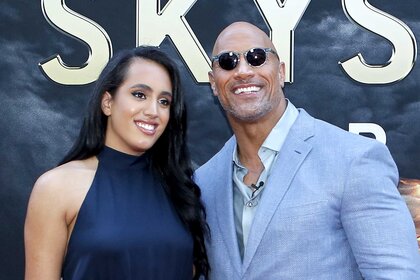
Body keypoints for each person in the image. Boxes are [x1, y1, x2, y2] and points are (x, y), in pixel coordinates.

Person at [194, 21, 420, 279]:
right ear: (213, 83)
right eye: (227, 62)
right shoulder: (204, 182)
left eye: (257, 58)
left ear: (281, 72)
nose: (243, 71)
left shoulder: (354, 160)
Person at [24, 46, 209, 279]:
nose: (153, 111)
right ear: (107, 103)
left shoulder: (180, 189)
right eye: (140, 94)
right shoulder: (57, 187)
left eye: (164, 101)